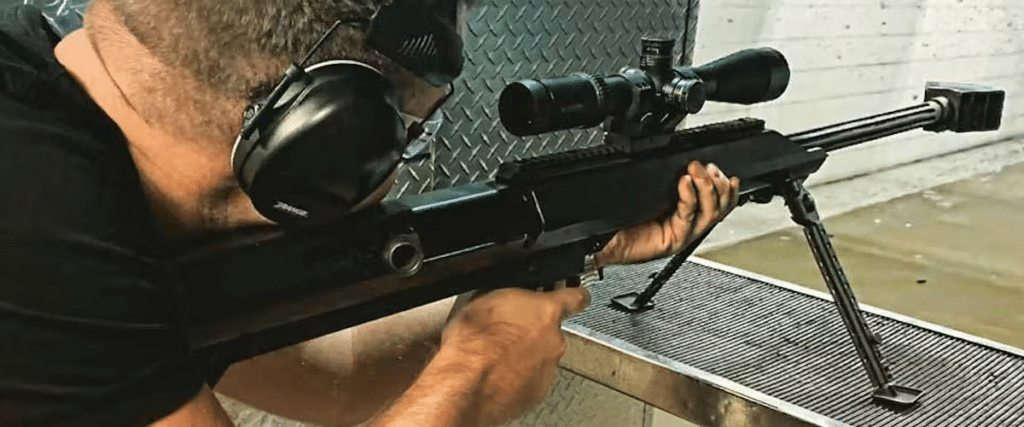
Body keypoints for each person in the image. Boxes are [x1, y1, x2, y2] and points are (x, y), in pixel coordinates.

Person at [0, 0, 740, 426]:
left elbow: (331, 376)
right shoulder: (36, 230)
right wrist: (472, 380)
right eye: (405, 136)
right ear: (324, 135)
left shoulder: (65, 147)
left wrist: (577, 248)